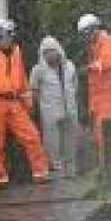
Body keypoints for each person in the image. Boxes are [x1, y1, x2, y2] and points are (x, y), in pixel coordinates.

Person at [0, 19, 49, 189]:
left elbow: (22, 78)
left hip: (14, 101)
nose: (11, 37)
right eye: (8, 34)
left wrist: (27, 102)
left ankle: (40, 173)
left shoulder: (16, 52)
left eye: (11, 34)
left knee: (32, 136)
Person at [77, 13, 111, 161]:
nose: (85, 38)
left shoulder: (107, 42)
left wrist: (89, 68)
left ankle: (107, 166)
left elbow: (107, 62)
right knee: (100, 134)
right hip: (99, 99)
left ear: (93, 29)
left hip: (109, 98)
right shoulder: (95, 45)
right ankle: (104, 164)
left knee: (104, 134)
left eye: (86, 34)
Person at [30, 36, 79, 178]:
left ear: (58, 50)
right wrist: (41, 105)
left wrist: (72, 100)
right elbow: (34, 89)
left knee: (70, 139)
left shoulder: (69, 66)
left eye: (51, 50)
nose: (49, 54)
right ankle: (56, 169)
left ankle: (71, 169)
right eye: (45, 52)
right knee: (51, 142)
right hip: (50, 111)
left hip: (70, 109)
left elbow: (75, 85)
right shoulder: (38, 69)